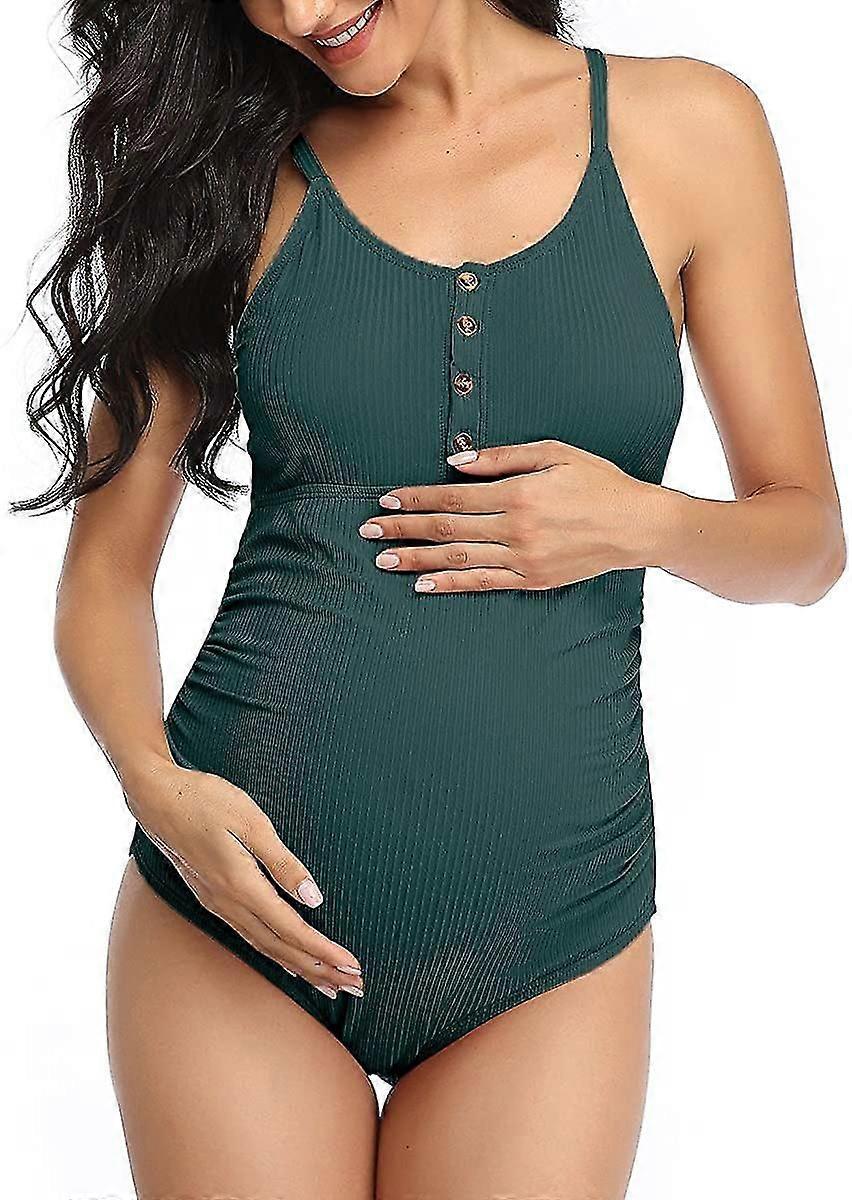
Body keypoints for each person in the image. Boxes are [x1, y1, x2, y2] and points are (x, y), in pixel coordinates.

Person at [15, 1, 844, 1197]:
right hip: (237, 916)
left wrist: (639, 522)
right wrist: (158, 788)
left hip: (553, 937)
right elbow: (102, 574)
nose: (302, 12)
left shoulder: (690, 129)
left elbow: (807, 543)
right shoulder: (230, 169)